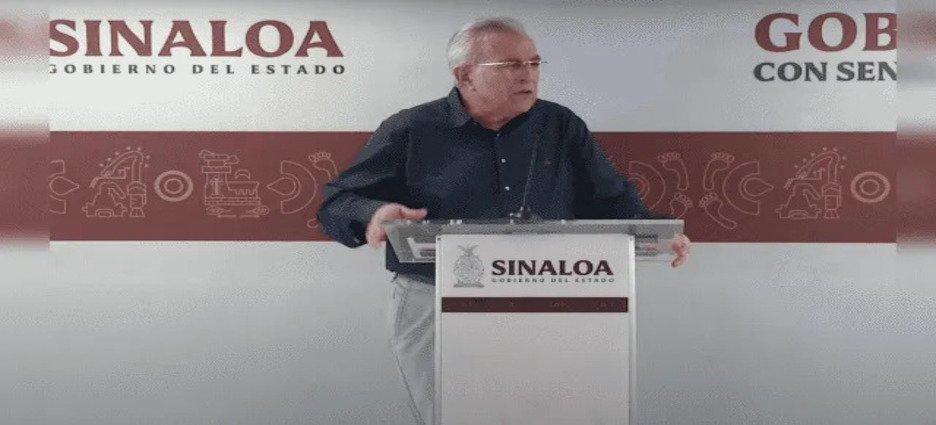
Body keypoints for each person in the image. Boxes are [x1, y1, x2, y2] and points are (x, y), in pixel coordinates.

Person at [317, 17, 690, 425]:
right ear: (464, 75)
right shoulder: (412, 129)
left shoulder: (560, 125)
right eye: (511, 65)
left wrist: (655, 234)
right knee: (451, 414)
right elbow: (338, 201)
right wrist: (374, 213)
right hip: (434, 294)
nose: (528, 74)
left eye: (534, 63)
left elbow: (611, 198)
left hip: (547, 293)